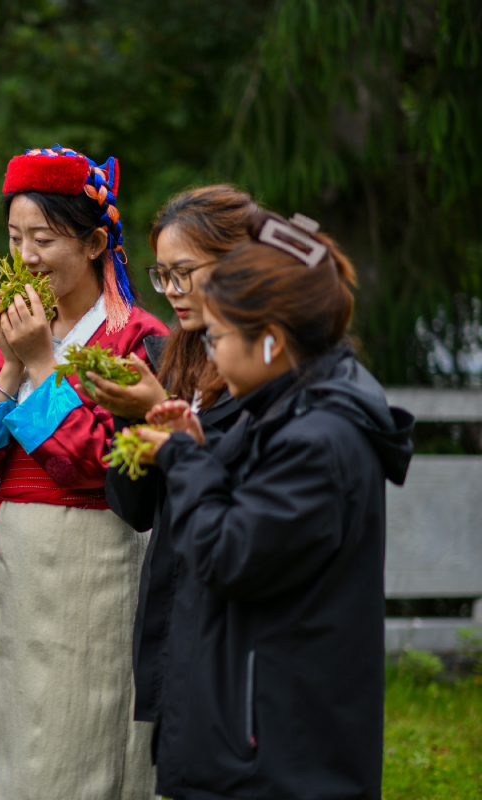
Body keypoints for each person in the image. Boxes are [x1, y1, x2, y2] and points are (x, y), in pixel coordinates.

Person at [136, 211, 413, 799]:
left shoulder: (318, 439)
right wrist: (196, 445)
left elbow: (226, 554)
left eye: (218, 336)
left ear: (271, 339)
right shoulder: (286, 412)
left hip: (274, 756)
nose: (209, 348)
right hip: (252, 737)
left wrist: (185, 461)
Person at [0, 145, 169, 799]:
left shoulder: (136, 338)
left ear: (97, 241)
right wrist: (13, 366)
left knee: (76, 725)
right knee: (2, 723)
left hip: (93, 556)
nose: (26, 256)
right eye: (15, 238)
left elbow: (96, 465)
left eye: (43, 238)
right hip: (11, 559)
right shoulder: (19, 334)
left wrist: (42, 362)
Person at [95, 185, 259, 741]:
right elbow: (135, 508)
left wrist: (167, 430)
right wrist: (132, 419)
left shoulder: (269, 374)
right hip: (175, 603)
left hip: (238, 615)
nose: (171, 292)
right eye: (162, 275)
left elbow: (252, 491)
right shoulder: (171, 359)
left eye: (184, 272)